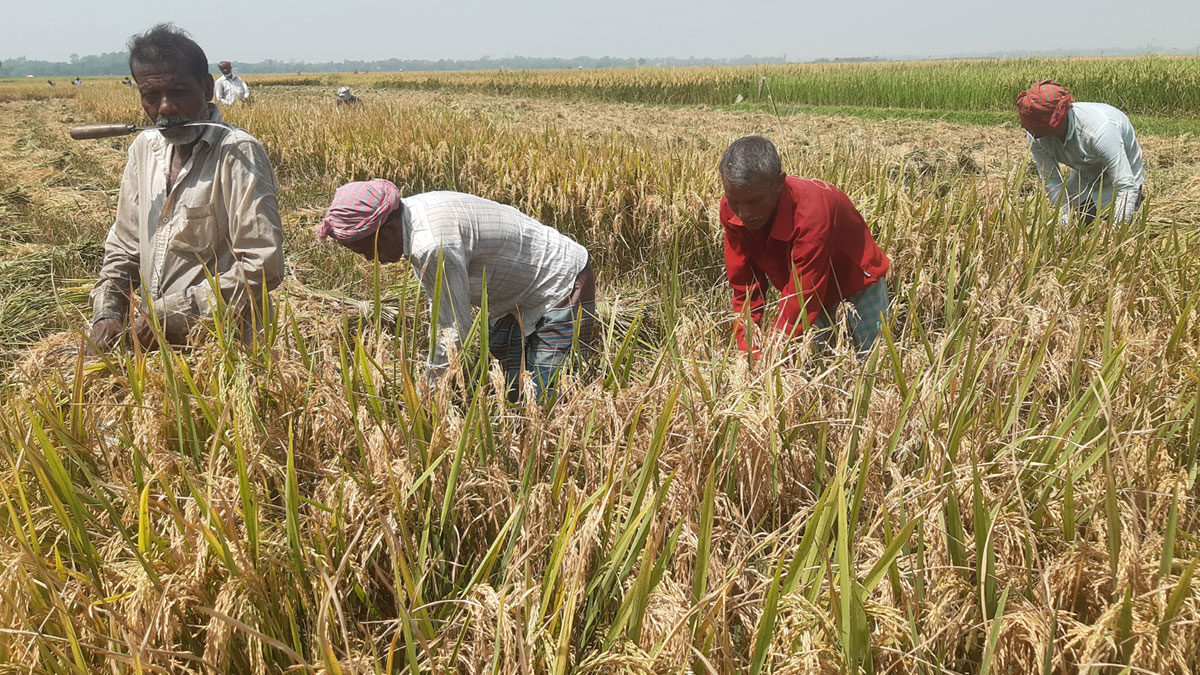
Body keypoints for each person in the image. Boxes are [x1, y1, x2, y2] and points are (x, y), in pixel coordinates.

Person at [87, 24, 284, 354]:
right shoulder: (144, 148)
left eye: (179, 92)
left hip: (224, 348)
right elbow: (125, 246)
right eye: (152, 96)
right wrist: (107, 313)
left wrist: (169, 315)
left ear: (206, 88)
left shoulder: (237, 153)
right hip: (154, 346)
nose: (165, 108)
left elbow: (263, 266)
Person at [318, 180, 596, 402]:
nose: (370, 260)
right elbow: (443, 307)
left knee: (546, 393)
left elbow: (454, 331)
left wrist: (429, 391)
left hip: (559, 281)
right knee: (508, 382)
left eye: (367, 251)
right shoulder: (411, 210)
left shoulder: (432, 245)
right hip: (513, 294)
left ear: (388, 231)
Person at [720, 136, 890, 358]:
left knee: (871, 358)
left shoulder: (812, 212)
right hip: (801, 287)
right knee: (814, 361)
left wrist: (771, 359)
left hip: (856, 283)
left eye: (754, 202)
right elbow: (745, 286)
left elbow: (802, 297)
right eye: (735, 202)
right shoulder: (731, 209)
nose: (743, 213)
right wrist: (749, 352)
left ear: (779, 183)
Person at [1017, 80, 1145, 225]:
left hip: (1123, 170)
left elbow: (1125, 186)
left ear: (1060, 118)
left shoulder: (1100, 131)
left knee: (1119, 219)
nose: (1039, 134)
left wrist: (1116, 233)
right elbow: (1052, 180)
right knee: (1080, 224)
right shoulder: (1036, 134)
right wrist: (1064, 220)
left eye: (1044, 129)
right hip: (1084, 171)